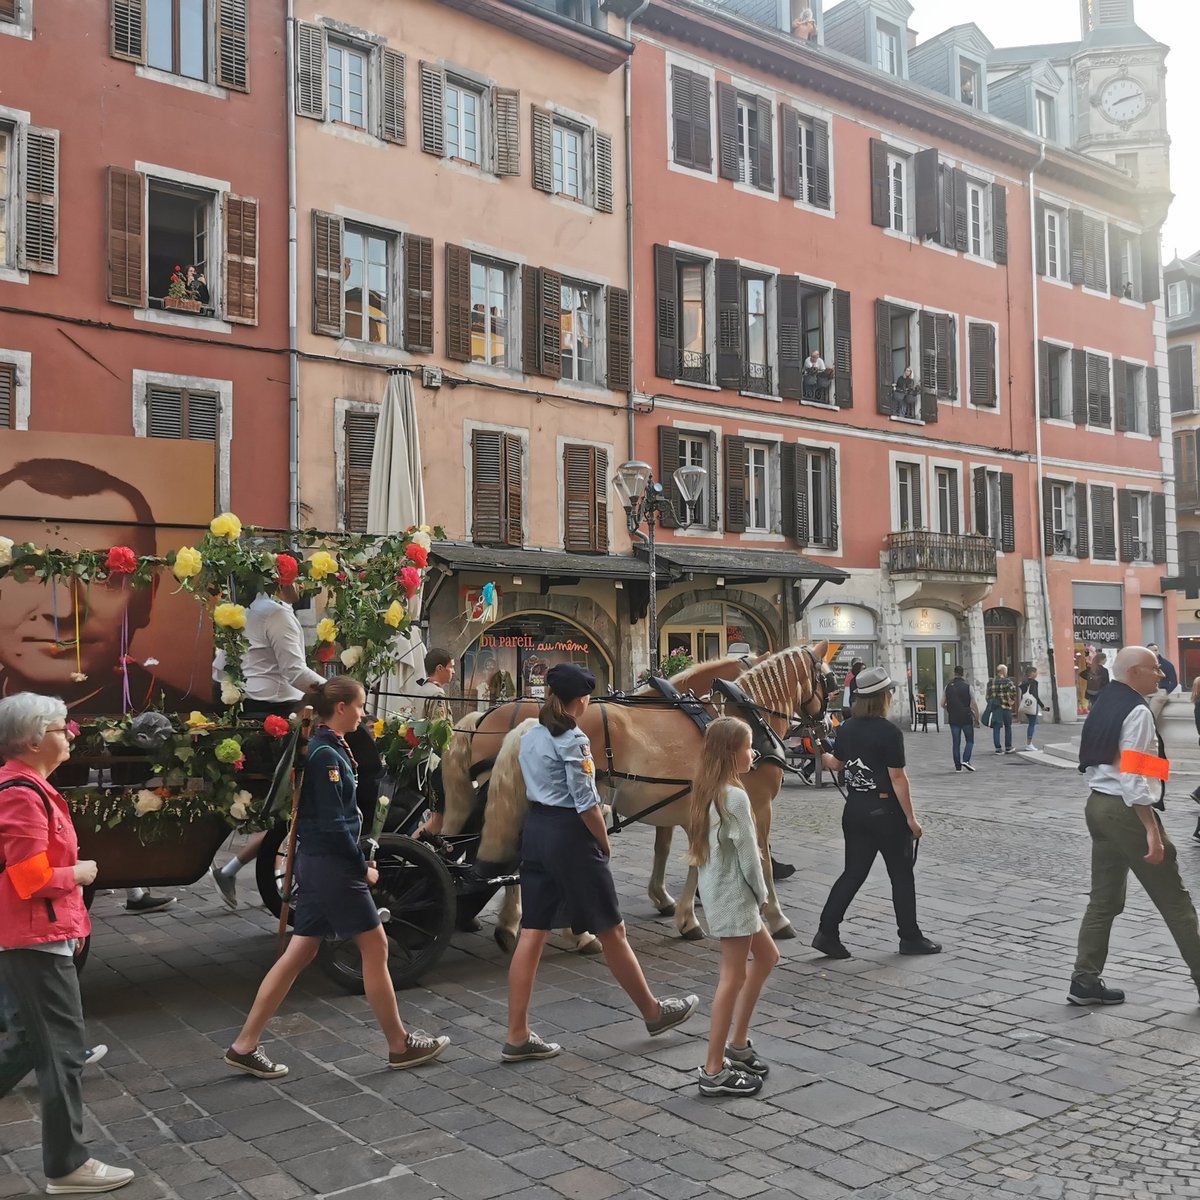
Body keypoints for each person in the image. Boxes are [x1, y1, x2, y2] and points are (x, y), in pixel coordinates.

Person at [225, 676, 449, 1077]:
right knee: (376, 947)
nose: (364, 713)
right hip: (332, 867)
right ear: (342, 707)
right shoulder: (327, 755)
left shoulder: (328, 747)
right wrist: (360, 865)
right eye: (361, 706)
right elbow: (335, 826)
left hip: (319, 865)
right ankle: (399, 1045)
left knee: (300, 953)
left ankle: (245, 1044)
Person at [503, 663, 698, 1061]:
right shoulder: (573, 740)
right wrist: (602, 840)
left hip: (536, 832)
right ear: (580, 701)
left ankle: (517, 1033)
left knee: (532, 933)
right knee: (613, 930)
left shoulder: (530, 737)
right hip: (570, 838)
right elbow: (587, 803)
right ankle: (653, 1012)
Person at [0, 693, 135, 1194]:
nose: (70, 735)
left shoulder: (25, 786)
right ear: (34, 738)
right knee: (61, 1054)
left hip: (28, 935)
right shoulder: (21, 792)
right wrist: (77, 873)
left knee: (22, 1044)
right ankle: (67, 1165)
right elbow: (30, 877)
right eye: (62, 728)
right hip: (33, 938)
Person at [0, 460, 192, 714]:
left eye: (102, 574)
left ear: (148, 598)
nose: (64, 611)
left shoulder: (183, 719)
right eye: (29, 570)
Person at [1069, 646, 1200, 1007]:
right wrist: (1152, 829)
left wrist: (1159, 770)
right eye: (1155, 669)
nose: (1161, 676)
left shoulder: (1107, 700)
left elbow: (1106, 760)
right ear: (1134, 673)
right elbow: (1132, 777)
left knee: (1104, 900)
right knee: (1176, 902)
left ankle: (1084, 980)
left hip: (1098, 805)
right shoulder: (1138, 710)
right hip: (1126, 810)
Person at [208, 586, 327, 908]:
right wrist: (338, 692)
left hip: (249, 709)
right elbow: (294, 672)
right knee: (293, 803)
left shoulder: (247, 611)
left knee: (287, 808)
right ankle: (265, 875)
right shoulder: (277, 613)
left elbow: (220, 669)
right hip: (275, 712)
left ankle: (244, 871)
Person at [811, 667, 940, 959]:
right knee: (901, 875)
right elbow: (897, 778)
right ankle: (909, 937)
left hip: (855, 808)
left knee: (852, 873)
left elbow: (836, 764)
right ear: (882, 697)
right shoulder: (889, 732)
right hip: (886, 813)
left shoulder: (847, 727)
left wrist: (822, 747)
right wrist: (911, 819)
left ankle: (826, 931)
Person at [686, 717, 780, 1097]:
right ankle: (713, 1069)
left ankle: (737, 1045)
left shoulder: (708, 789)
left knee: (768, 957)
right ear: (730, 753)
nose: (753, 752)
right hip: (737, 896)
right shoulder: (736, 797)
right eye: (747, 746)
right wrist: (763, 896)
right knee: (733, 978)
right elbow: (750, 857)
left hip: (719, 892)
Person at [412, 648, 455, 836]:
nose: (453, 671)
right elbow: (440, 733)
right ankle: (413, 845)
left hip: (422, 759)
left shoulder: (422, 689)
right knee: (438, 821)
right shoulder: (437, 694)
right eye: (451, 667)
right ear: (440, 668)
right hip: (435, 762)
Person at [941, 665, 977, 772]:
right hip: (966, 717)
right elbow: (973, 703)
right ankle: (966, 760)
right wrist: (977, 717)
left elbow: (942, 703)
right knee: (969, 740)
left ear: (954, 673)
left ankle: (957, 766)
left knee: (956, 742)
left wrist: (949, 708)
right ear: (963, 673)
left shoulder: (948, 687)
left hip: (954, 717)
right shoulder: (968, 687)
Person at [985, 664, 1018, 755]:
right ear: (1003, 671)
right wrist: (1011, 701)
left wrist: (990, 702)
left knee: (996, 727)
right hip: (1006, 707)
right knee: (1008, 727)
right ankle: (1008, 747)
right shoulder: (1008, 681)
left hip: (996, 708)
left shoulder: (991, 682)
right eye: (1006, 671)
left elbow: (987, 696)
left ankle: (998, 748)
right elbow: (1013, 693)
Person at [1019, 666, 1050, 752]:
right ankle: (1029, 744)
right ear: (1032, 673)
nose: (1036, 674)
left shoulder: (1024, 682)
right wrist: (1042, 706)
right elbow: (1035, 696)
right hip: (1032, 705)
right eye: (1035, 672)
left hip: (1025, 705)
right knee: (1032, 724)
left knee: (1031, 723)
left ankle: (1029, 744)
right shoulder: (1034, 683)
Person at [1147, 643, 1178, 726]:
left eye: (1155, 650)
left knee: (1151, 713)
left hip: (1160, 691)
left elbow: (1174, 682)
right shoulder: (1143, 664)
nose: (1154, 652)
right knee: (1141, 711)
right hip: (1146, 691)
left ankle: (1151, 730)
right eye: (1151, 651)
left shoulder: (1167, 664)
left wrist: (1166, 691)